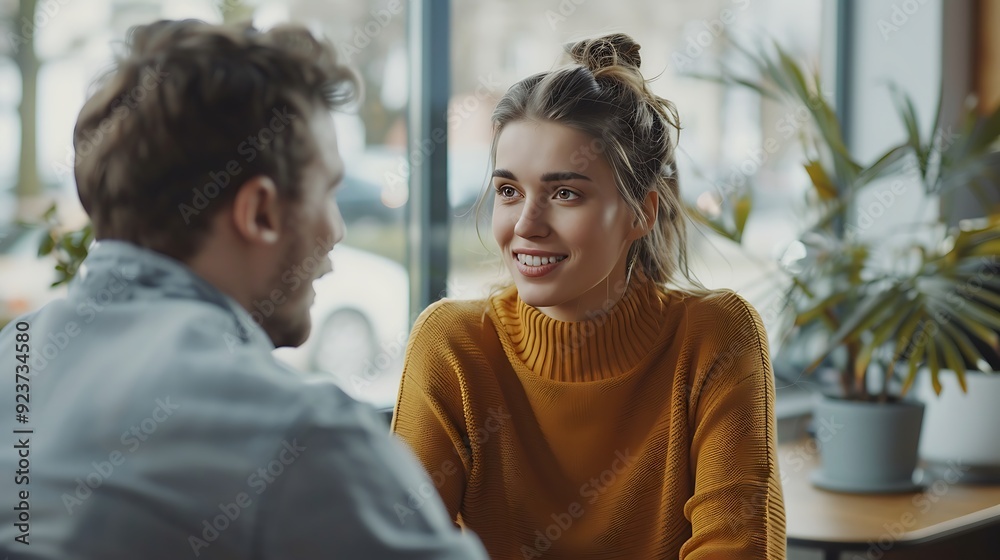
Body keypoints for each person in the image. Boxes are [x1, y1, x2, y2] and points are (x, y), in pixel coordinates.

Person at [0, 20, 487, 559]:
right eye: (327, 191)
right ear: (259, 212)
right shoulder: (305, 436)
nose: (337, 231)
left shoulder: (14, 360)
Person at [391, 33, 786, 559]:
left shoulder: (716, 338)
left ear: (641, 212)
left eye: (564, 194)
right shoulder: (451, 346)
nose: (526, 225)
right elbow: (401, 548)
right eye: (509, 191)